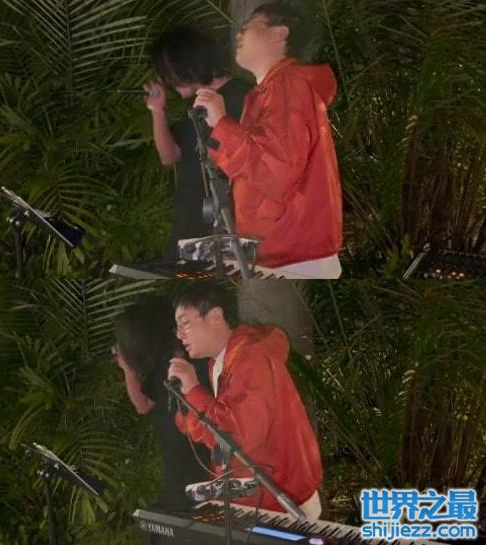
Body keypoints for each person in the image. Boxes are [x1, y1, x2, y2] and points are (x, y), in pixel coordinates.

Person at [193, 2, 343, 279]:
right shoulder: (266, 92)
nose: (239, 34)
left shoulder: (288, 85)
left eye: (248, 26)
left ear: (279, 33)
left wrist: (223, 123)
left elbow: (277, 170)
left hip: (294, 255)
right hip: (282, 250)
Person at [167, 282, 323, 520]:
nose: (179, 335)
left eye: (185, 324)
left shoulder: (251, 358)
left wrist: (194, 389)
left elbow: (241, 437)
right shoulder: (220, 363)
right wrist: (187, 401)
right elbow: (214, 432)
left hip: (281, 499)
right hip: (256, 497)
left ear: (215, 316)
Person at [144, 26, 251, 261]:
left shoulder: (243, 95)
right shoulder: (194, 106)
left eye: (169, 70)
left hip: (228, 226)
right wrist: (157, 110)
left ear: (189, 63)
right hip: (189, 225)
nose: (166, 79)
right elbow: (169, 157)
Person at [113, 294, 211, 510]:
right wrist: (128, 369)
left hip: (211, 478)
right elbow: (143, 405)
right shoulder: (160, 366)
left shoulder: (202, 359)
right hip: (178, 482)